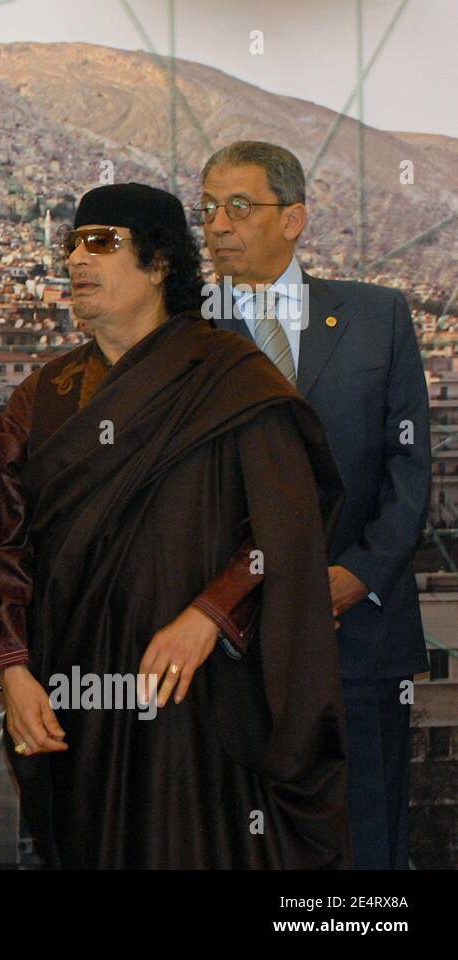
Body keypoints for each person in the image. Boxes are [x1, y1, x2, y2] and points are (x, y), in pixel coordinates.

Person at [0, 183, 351, 868]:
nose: (77, 261)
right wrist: (13, 672)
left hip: (205, 694)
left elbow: (286, 529)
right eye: (72, 245)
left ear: (159, 264)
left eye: (102, 243)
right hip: (78, 695)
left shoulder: (233, 380)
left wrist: (209, 613)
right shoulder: (42, 399)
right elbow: (4, 548)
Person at [199, 141, 431, 869]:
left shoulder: (377, 317)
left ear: (293, 217)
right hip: (231, 645)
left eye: (239, 206)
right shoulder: (188, 333)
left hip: (358, 635)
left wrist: (357, 575)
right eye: (207, 208)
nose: (217, 225)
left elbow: (409, 467)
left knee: (363, 839)